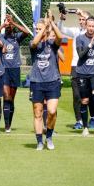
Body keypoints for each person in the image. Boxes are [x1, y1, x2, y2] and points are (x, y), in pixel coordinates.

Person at [58, 9, 94, 130]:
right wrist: (61, 18)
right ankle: (79, 121)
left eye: (83, 19)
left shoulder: (93, 30)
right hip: (75, 66)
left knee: (92, 95)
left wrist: (82, 13)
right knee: (77, 96)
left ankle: (92, 118)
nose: (81, 21)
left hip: (90, 67)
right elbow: (61, 29)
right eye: (80, 19)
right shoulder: (76, 31)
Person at [29, 17, 63, 151]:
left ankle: (48, 137)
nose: (37, 30)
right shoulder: (34, 43)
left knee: (52, 111)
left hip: (52, 82)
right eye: (36, 28)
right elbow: (35, 41)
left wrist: (51, 24)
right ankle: (39, 142)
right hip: (37, 82)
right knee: (37, 113)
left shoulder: (52, 44)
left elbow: (59, 37)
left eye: (40, 28)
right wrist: (43, 28)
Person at [0, 14, 29, 133]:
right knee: (6, 96)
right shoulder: (1, 37)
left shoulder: (17, 37)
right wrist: (3, 25)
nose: (9, 26)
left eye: (10, 25)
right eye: (8, 25)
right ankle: (6, 125)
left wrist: (13, 22)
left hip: (15, 70)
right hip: (4, 69)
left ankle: (9, 123)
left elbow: (26, 32)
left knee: (11, 99)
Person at [75, 17, 94, 137]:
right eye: (89, 26)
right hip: (82, 73)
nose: (91, 28)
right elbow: (81, 55)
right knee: (85, 100)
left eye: (93, 26)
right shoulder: (79, 38)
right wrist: (90, 44)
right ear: (85, 26)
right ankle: (85, 128)